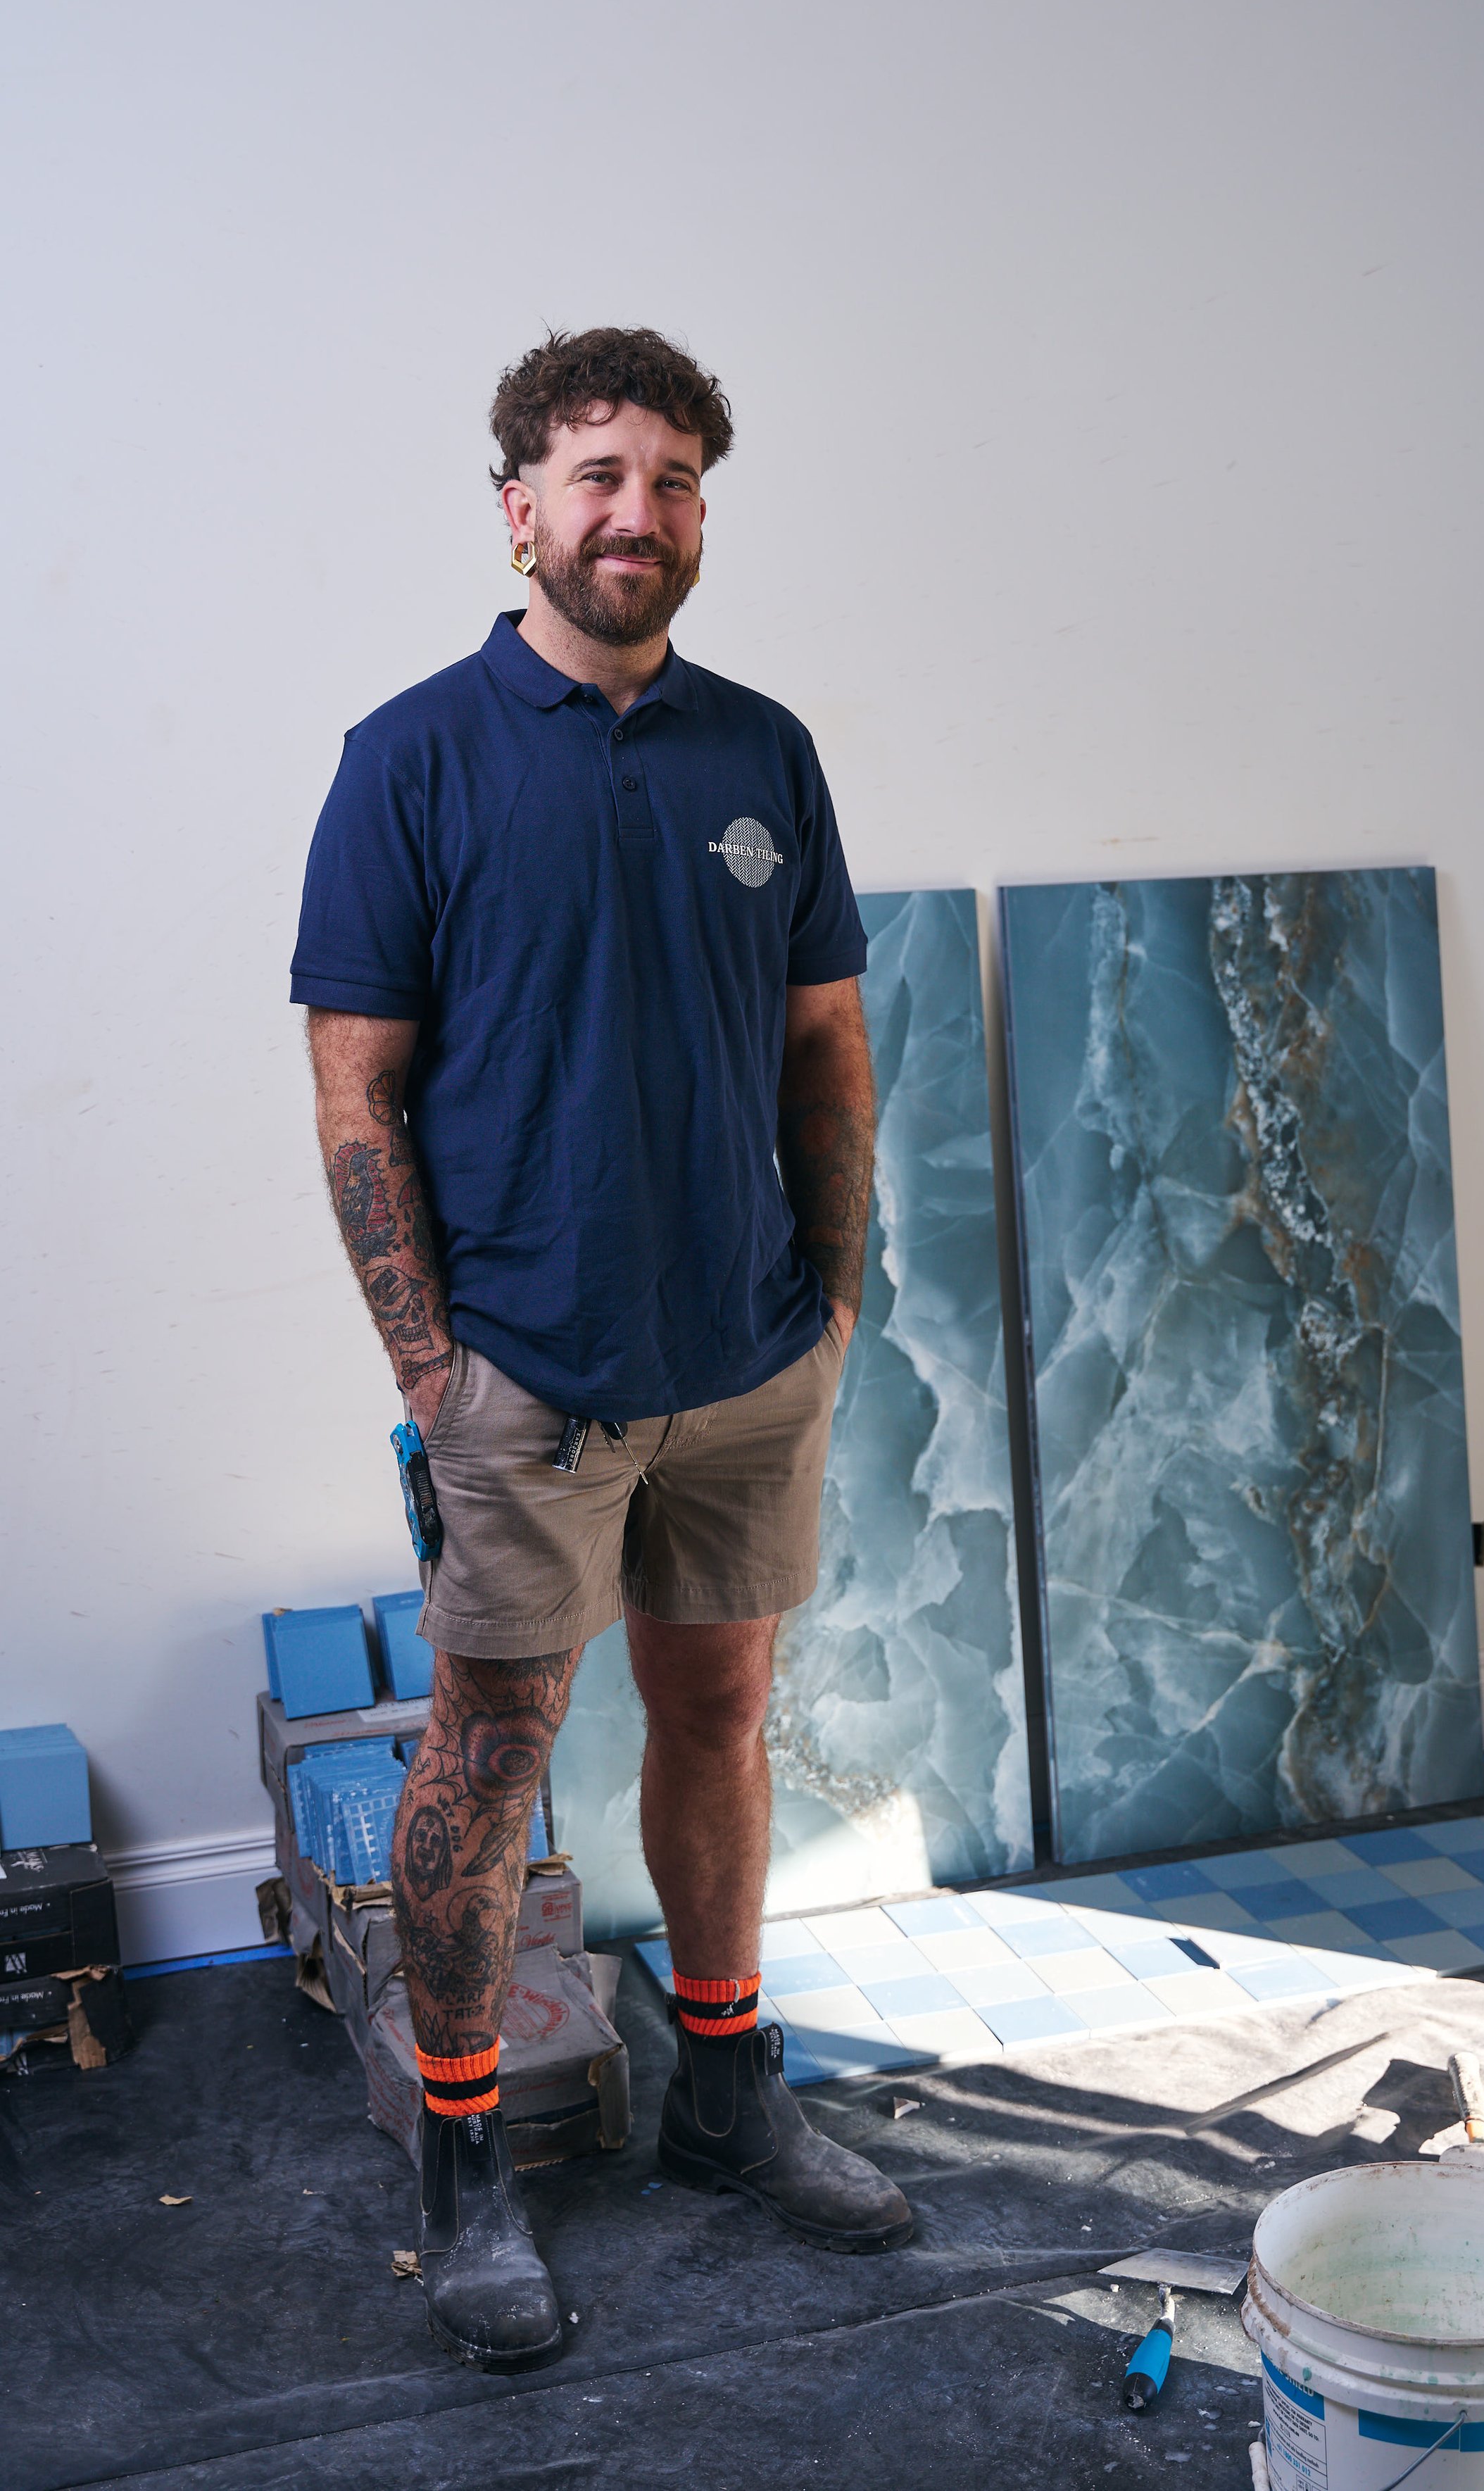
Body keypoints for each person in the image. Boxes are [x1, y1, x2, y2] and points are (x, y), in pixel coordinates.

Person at [292, 325, 912, 2372]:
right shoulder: (414, 758)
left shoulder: (764, 754)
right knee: (488, 1752)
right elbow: (356, 1089)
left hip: (741, 1360)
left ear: (698, 514)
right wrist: (425, 1367)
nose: (631, 513)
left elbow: (826, 1041)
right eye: (593, 476)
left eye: (668, 481)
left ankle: (731, 2094)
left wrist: (823, 1300)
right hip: (525, 1376)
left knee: (720, 1718)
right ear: (519, 509)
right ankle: (467, 2167)